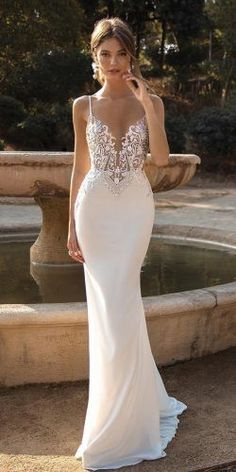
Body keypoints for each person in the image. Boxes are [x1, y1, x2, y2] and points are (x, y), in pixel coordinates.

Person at [67, 16, 187, 471]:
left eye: (120, 54)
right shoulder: (82, 105)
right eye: (105, 54)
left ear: (131, 56)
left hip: (134, 209)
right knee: (110, 314)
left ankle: (124, 422)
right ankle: (111, 416)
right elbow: (80, 168)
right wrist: (71, 226)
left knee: (122, 305)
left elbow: (158, 159)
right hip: (95, 212)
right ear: (94, 58)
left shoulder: (149, 101)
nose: (113, 63)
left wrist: (149, 107)